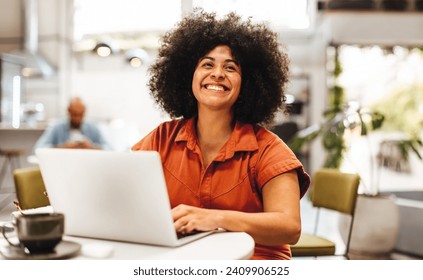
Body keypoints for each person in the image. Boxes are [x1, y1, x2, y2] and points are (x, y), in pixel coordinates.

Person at [131, 10, 310, 260]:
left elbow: (289, 228)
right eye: (207, 64)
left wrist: (215, 218)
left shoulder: (269, 150)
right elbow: (122, 190)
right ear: (187, 75)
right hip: (184, 260)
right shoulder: (162, 139)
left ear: (247, 83)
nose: (217, 73)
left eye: (230, 67)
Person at [34, 97, 109, 150]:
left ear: (85, 112)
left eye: (80, 114)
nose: (77, 118)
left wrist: (92, 147)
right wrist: (63, 147)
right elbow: (39, 148)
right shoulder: (57, 127)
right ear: (68, 111)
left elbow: (110, 148)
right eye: (74, 114)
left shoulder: (93, 128)